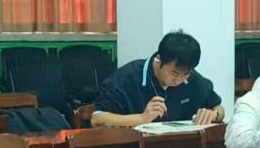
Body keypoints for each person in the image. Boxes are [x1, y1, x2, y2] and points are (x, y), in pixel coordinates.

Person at [91, 31, 223, 127]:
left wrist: (214, 114)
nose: (179, 80)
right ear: (158, 59)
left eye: (185, 74)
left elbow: (219, 108)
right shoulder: (126, 77)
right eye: (174, 73)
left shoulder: (192, 78)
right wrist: (141, 118)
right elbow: (97, 119)